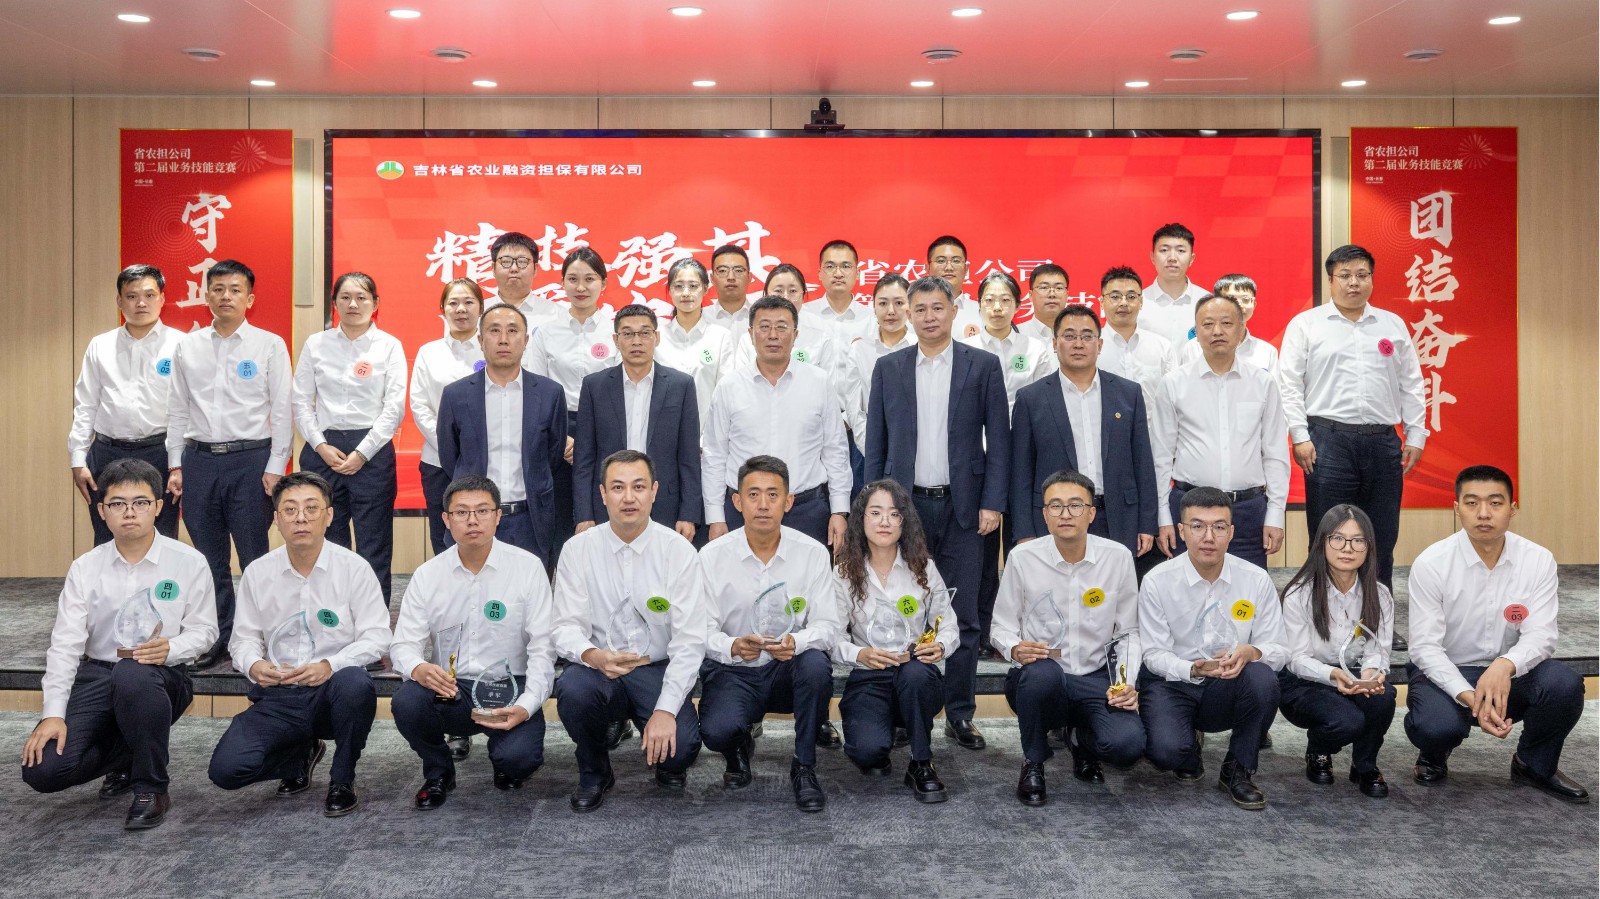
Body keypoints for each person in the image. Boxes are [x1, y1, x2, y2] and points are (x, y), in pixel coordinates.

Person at [21, 459, 217, 830]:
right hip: (97, 674)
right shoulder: (86, 567)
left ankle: (151, 788)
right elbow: (64, 645)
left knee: (133, 674)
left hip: (160, 675)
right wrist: (53, 714)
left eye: (140, 502)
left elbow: (205, 631)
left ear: (158, 507)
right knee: (43, 770)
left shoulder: (189, 562)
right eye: (118, 504)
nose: (130, 512)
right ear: (102, 511)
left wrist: (171, 649)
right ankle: (131, 752)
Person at [865, 275, 1009, 751]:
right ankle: (905, 711)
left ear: (954, 310)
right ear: (908, 314)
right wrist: (874, 508)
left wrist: (993, 502)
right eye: (920, 309)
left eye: (937, 308)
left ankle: (960, 713)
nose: (929, 317)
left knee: (963, 614)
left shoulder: (982, 365)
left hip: (966, 509)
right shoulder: (888, 368)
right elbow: (876, 444)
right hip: (904, 509)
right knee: (902, 610)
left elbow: (999, 441)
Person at [206, 472, 391, 817]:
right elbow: (243, 639)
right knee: (226, 771)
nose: (300, 518)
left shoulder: (354, 568)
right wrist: (254, 665)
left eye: (311, 508)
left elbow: (378, 636)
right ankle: (299, 755)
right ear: (277, 519)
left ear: (329, 515)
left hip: (332, 691)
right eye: (290, 510)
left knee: (355, 683)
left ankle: (342, 778)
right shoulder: (258, 572)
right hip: (280, 693)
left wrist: (330, 666)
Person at [1403, 465, 1588, 802]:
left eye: (1495, 503)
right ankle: (1434, 752)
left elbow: (1542, 635)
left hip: (1510, 676)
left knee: (1564, 684)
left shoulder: (1538, 560)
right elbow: (1425, 648)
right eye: (1472, 503)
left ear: (1512, 508)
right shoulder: (1432, 563)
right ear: (1456, 508)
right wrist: (1468, 695)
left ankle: (1534, 764)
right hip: (1448, 672)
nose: (1484, 513)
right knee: (1435, 725)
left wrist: (1504, 666)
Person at [1280, 245, 1427, 649]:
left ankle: (1376, 622)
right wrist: (1300, 435)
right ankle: (1321, 620)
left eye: (1362, 275)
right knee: (1326, 535)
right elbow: (1289, 384)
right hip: (1327, 440)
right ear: (1331, 280)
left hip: (1382, 441)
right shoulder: (1307, 325)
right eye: (1345, 275)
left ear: (1372, 279)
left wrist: (1416, 434)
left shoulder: (1392, 325)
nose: (1354, 283)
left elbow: (1411, 382)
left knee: (1381, 536)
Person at [551, 450, 705, 813]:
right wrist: (592, 655)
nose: (629, 497)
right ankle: (594, 771)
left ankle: (664, 755)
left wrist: (665, 711)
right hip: (599, 667)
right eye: (618, 488)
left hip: (655, 667)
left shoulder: (678, 551)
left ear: (654, 491)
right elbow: (563, 627)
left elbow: (690, 641)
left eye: (638, 487)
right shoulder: (578, 549)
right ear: (603, 494)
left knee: (681, 749)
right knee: (573, 690)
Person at [389, 474, 555, 809]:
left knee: (519, 760)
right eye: (461, 512)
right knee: (407, 701)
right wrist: (418, 668)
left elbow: (543, 648)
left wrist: (526, 705)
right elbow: (403, 645)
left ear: (498, 516)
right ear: (446, 519)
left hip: (510, 686)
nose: (472, 520)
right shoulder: (428, 575)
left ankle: (504, 757)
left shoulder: (527, 568)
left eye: (482, 511)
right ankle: (439, 771)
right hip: (451, 688)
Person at [165, 259, 292, 670]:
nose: (225, 296)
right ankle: (219, 636)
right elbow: (177, 409)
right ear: (206, 295)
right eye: (218, 289)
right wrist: (175, 464)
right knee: (209, 558)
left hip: (251, 462)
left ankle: (262, 638)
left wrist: (276, 465)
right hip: (199, 461)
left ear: (249, 299)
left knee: (255, 556)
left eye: (235, 290)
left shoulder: (269, 344)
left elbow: (282, 409)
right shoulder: (187, 346)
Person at [699, 456, 841, 812]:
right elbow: (699, 630)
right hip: (734, 670)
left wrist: (797, 642)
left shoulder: (812, 554)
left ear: (788, 502)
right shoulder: (711, 556)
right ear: (737, 501)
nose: (763, 504)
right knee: (717, 729)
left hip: (787, 669)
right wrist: (732, 645)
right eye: (753, 494)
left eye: (773, 495)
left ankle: (804, 765)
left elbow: (829, 626)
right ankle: (737, 746)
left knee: (815, 666)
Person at [993, 470, 1143, 806]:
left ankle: (1081, 740)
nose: (1065, 514)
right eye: (1056, 506)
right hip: (1043, 677)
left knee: (1127, 746)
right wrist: (1015, 648)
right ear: (1044, 514)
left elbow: (1128, 632)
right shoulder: (1023, 558)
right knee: (1040, 676)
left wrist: (1126, 682)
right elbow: (1000, 626)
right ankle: (1033, 761)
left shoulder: (1117, 557)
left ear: (1092, 513)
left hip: (1096, 678)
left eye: (1076, 505)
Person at [1138, 487, 1286, 810]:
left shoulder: (1255, 579)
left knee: (1263, 678)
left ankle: (1238, 768)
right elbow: (1152, 654)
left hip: (1228, 683)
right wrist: (1191, 668)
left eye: (1219, 527)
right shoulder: (1157, 581)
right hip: (1174, 683)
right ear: (1181, 531)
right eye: (1197, 526)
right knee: (1167, 752)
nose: (1208, 537)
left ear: (1231, 532)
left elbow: (1278, 647)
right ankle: (1188, 747)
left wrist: (1251, 652)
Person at [832, 479, 957, 802]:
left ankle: (921, 762)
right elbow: (831, 636)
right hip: (869, 675)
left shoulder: (923, 567)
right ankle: (883, 733)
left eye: (894, 513)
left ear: (905, 521)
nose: (885, 521)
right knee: (866, 752)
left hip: (914, 671)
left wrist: (940, 645)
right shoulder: (844, 573)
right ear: (861, 520)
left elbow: (949, 624)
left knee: (915, 676)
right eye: (875, 513)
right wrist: (859, 654)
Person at [1010, 304, 1158, 574]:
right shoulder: (1031, 399)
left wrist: (1147, 523)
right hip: (1056, 520)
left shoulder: (1128, 394)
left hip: (1117, 517)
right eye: (1069, 336)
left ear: (1099, 345)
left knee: (1113, 593)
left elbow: (1143, 462)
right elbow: (1020, 472)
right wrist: (1024, 531)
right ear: (1054, 343)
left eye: (1087, 336)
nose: (1078, 344)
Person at [1151, 293, 1290, 570]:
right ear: (1196, 331)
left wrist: (1275, 514)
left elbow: (1275, 452)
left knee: (1247, 592)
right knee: (1188, 590)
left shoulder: (1262, 383)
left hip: (1247, 511)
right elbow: (1160, 456)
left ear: (1241, 329)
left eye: (1226, 323)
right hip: (1190, 509)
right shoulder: (1173, 383)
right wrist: (1163, 516)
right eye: (1207, 324)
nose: (1217, 331)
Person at [291, 272, 407, 604]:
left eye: (361, 297)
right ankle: (332, 617)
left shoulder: (389, 346)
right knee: (328, 541)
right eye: (345, 297)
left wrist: (362, 453)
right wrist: (320, 445)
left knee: (374, 542)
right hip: (322, 451)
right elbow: (301, 400)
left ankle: (374, 620)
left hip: (371, 452)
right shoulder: (317, 344)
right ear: (335, 303)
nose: (353, 304)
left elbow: (394, 407)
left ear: (375, 303)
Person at [703, 296, 852, 550]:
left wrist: (839, 510)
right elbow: (715, 455)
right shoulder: (729, 386)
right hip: (742, 512)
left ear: (795, 334)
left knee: (806, 577)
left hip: (806, 510)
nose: (773, 335)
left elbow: (835, 449)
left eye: (782, 327)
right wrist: (715, 516)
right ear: (751, 334)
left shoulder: (819, 382)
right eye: (764, 327)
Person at [959, 271, 1051, 658]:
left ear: (1017, 304)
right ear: (978, 305)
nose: (997, 307)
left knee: (1023, 547)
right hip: (976, 462)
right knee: (979, 555)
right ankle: (981, 633)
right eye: (989, 300)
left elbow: (1043, 405)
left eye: (1005, 300)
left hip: (1024, 460)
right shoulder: (963, 348)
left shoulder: (1036, 349)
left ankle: (1022, 631)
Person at [436, 304, 568, 570]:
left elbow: (552, 456)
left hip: (530, 519)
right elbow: (450, 457)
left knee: (530, 592)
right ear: (481, 340)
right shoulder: (456, 395)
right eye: (494, 331)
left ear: (526, 340)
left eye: (513, 331)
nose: (504, 339)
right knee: (470, 590)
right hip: (475, 518)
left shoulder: (550, 393)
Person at [1277, 503, 1396, 798]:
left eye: (1358, 540)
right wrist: (1332, 676)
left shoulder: (1380, 594)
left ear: (1369, 547)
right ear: (1322, 542)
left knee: (1383, 697)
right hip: (1305, 682)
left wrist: (1371, 675)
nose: (1348, 548)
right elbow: (1296, 659)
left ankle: (1365, 765)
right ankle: (1318, 749)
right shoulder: (1299, 594)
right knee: (1347, 721)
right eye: (1338, 539)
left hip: (1353, 675)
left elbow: (1378, 650)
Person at [69, 265, 183, 544]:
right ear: (120, 301)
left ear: (162, 298)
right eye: (132, 296)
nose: (141, 303)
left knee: (162, 538)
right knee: (107, 536)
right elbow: (85, 404)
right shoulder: (100, 345)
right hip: (107, 452)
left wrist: (177, 464)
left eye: (149, 295)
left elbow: (187, 409)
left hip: (160, 453)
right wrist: (78, 458)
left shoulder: (182, 344)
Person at [524, 246, 620, 568]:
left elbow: (620, 389)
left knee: (604, 513)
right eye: (573, 279)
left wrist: (593, 440)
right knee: (561, 519)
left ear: (603, 283)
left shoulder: (616, 330)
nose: (581, 287)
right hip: (558, 432)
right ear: (562, 283)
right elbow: (536, 391)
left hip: (606, 429)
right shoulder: (546, 333)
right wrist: (561, 437)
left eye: (589, 279)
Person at [573, 303, 701, 539]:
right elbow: (584, 458)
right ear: (616, 340)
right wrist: (583, 514)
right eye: (628, 334)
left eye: (644, 333)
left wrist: (688, 513)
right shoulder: (594, 386)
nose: (636, 341)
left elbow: (689, 456)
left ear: (657, 338)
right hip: (606, 504)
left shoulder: (681, 386)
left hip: (666, 504)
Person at [408, 278, 485, 555]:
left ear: (481, 308)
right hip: (437, 461)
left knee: (484, 531)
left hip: (486, 460)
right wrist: (449, 447)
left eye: (468, 302)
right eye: (453, 303)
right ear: (443, 309)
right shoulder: (429, 352)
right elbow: (419, 405)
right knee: (443, 536)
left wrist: (475, 449)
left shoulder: (493, 349)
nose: (460, 309)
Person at [653, 257, 734, 429]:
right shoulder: (656, 337)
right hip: (663, 430)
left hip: (708, 433)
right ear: (669, 290)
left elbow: (725, 393)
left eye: (693, 286)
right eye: (678, 286)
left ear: (705, 288)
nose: (685, 293)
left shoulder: (720, 337)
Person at [1097, 265, 1175, 402]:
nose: (1123, 303)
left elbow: (1174, 396)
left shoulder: (1162, 347)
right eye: (1115, 297)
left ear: (1141, 302)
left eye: (1131, 297)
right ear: (1102, 302)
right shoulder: (1090, 348)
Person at [1176, 274, 1279, 375]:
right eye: (1231, 299)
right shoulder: (1194, 347)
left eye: (1245, 299)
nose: (1239, 305)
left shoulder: (1267, 352)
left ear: (1254, 304)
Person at [1139, 223, 1208, 347]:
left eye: (1180, 251)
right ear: (1152, 257)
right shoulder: (1137, 302)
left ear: (1191, 259)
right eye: (1164, 250)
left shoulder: (1207, 302)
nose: (1172, 258)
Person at [486, 231, 561, 334]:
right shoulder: (476, 314)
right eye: (506, 261)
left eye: (522, 261)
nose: (514, 268)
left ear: (535, 269)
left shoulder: (557, 315)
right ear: (493, 268)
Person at [803, 239, 874, 339]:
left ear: (857, 273)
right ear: (820, 274)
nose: (838, 274)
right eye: (830, 266)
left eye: (846, 266)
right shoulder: (803, 315)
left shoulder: (871, 318)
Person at [924, 234, 982, 334]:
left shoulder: (981, 312)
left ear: (966, 269)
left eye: (956, 261)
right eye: (941, 261)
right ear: (927, 268)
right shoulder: (914, 312)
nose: (949, 268)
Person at [1017, 264, 1070, 344]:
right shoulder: (1017, 334)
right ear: (1031, 295)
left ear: (1067, 295)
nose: (1052, 294)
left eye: (1059, 288)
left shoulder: (1080, 335)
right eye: (1044, 287)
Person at [704, 244, 754, 327]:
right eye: (722, 271)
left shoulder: (762, 317)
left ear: (749, 277)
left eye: (738, 270)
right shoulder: (700, 318)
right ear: (712, 278)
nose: (731, 277)